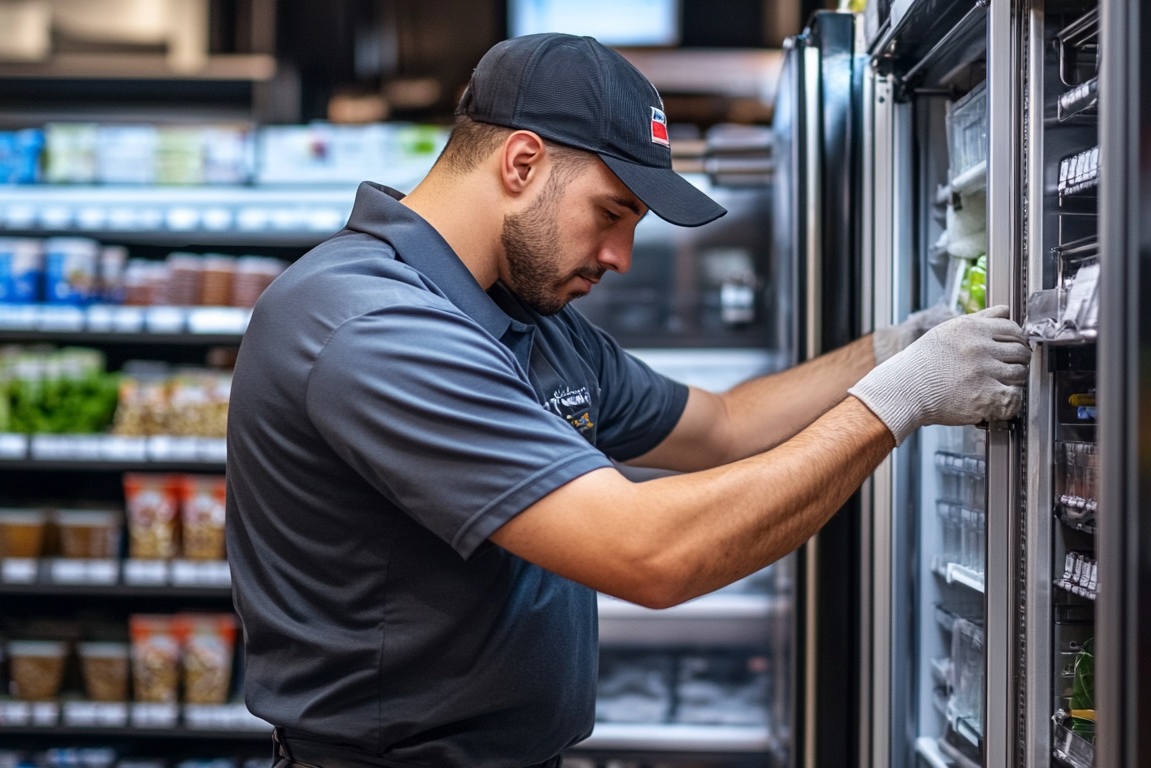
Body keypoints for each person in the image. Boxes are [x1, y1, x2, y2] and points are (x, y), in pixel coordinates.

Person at [226, 33, 1030, 768]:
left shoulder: (529, 317)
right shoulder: (374, 326)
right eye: (611, 213)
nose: (619, 255)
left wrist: (894, 347)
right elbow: (652, 554)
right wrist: (907, 394)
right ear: (521, 163)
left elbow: (724, 426)